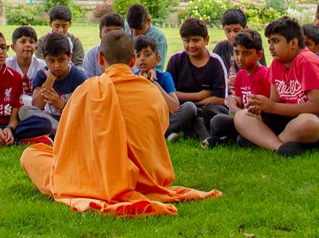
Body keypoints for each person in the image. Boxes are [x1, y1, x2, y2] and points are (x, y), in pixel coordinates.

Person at [20, 30, 222, 216]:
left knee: (32, 154)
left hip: (97, 176)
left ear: (100, 59)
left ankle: (95, 181)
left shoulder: (88, 89)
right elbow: (158, 132)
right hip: (146, 177)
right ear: (133, 59)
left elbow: (66, 141)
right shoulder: (151, 91)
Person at [233, 17, 319, 157]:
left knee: (306, 122)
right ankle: (279, 147)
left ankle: (261, 141)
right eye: (269, 42)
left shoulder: (306, 61)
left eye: (276, 41)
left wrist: (271, 107)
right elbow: (276, 103)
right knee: (242, 116)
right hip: (294, 118)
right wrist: (262, 107)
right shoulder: (277, 64)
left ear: (294, 43)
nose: (271, 47)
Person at [164, 18, 228, 142]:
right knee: (188, 109)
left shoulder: (215, 62)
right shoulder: (176, 60)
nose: (191, 45)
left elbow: (220, 99)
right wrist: (198, 96)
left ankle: (192, 132)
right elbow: (169, 94)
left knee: (207, 114)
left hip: (207, 109)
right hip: (182, 109)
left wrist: (195, 105)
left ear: (207, 40)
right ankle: (166, 131)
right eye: (187, 41)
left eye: (196, 40)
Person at [206, 28, 271, 147]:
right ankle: (229, 137)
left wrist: (233, 106)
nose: (240, 58)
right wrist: (234, 100)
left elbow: (254, 115)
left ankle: (227, 139)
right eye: (236, 53)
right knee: (217, 121)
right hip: (242, 118)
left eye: (246, 53)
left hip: (259, 123)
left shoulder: (263, 75)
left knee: (242, 140)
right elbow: (239, 101)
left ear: (259, 55)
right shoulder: (241, 74)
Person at [30, 32, 89, 135]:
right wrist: (49, 82)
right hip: (48, 119)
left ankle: (62, 133)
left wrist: (61, 105)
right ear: (44, 58)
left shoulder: (79, 77)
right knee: (24, 111)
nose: (57, 66)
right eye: (51, 61)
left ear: (69, 56)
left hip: (70, 120)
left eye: (61, 60)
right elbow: (36, 107)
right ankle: (60, 133)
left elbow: (83, 112)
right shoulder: (42, 75)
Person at [134, 35, 179, 121]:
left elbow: (174, 108)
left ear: (157, 59)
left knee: (189, 107)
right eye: (138, 56)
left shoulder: (165, 76)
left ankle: (163, 131)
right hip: (142, 119)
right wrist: (143, 82)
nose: (142, 59)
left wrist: (154, 83)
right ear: (133, 60)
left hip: (162, 118)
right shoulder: (133, 79)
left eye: (147, 55)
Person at [5, 25, 48, 104]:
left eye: (31, 42)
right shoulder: (6, 65)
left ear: (36, 48)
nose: (28, 45)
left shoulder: (42, 66)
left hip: (36, 106)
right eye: (23, 41)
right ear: (13, 47)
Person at [213, 8, 263, 72]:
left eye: (236, 31)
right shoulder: (221, 47)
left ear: (245, 28)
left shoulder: (253, 46)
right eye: (228, 31)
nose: (232, 35)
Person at [126, 3, 168, 71]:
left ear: (148, 21)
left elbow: (158, 67)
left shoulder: (159, 37)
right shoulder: (124, 29)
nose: (134, 33)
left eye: (139, 29)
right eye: (131, 28)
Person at [83, 12, 127, 78]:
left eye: (117, 31)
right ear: (100, 35)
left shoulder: (129, 55)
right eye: (107, 31)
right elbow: (88, 82)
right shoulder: (91, 55)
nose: (112, 35)